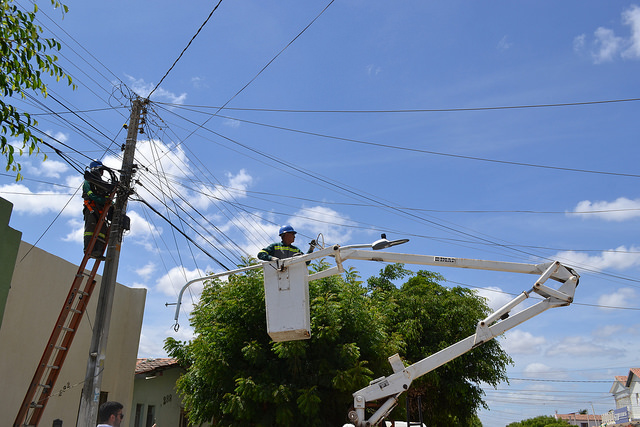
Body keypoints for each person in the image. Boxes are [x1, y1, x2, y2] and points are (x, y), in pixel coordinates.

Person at [82, 160, 112, 260]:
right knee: (90, 229)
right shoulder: (88, 181)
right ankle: (88, 250)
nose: (102, 172)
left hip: (101, 210)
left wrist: (111, 203)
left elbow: (108, 195)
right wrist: (103, 200)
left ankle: (97, 252)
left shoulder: (102, 184)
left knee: (102, 231)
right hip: (91, 208)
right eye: (100, 170)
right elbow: (91, 194)